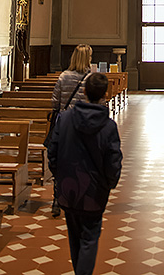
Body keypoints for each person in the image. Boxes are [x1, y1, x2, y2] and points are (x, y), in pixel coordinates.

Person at [48, 72, 122, 275]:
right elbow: (113, 161)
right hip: (94, 192)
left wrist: (61, 176)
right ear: (104, 94)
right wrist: (108, 184)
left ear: (84, 92)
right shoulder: (108, 126)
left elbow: (52, 152)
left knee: (74, 234)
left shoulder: (64, 119)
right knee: (89, 237)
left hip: (68, 189)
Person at [49, 43, 93, 215]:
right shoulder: (91, 78)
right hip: (83, 125)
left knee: (61, 161)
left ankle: (57, 199)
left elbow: (54, 102)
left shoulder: (63, 76)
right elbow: (96, 102)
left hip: (64, 125)